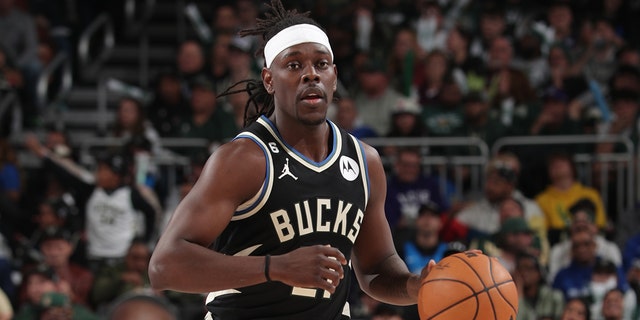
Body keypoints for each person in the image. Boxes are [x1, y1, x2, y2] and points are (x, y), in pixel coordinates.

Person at [148, 1, 441, 319]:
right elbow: (165, 266)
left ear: (334, 76)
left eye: (321, 64)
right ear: (269, 79)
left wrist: (414, 286)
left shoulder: (364, 161)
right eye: (294, 65)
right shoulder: (244, 160)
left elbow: (375, 270)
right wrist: (275, 267)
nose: (310, 75)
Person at [514, 253, 564, 320]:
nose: (523, 273)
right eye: (520, 269)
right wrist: (519, 291)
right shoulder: (513, 298)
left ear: (539, 272)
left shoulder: (553, 297)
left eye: (528, 268)